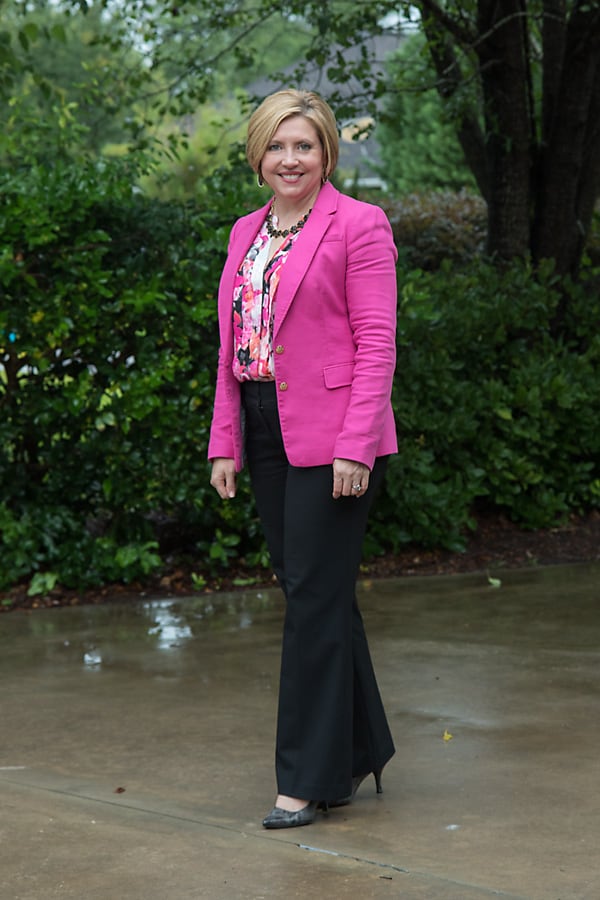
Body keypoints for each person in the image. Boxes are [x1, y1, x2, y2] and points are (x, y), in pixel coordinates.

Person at [208, 89, 397, 829]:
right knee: (313, 591)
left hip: (333, 438)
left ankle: (304, 781)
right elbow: (232, 350)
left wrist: (357, 444)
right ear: (258, 154)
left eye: (305, 146)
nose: (291, 159)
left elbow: (377, 342)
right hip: (263, 429)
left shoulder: (360, 226)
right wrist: (226, 443)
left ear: (327, 154)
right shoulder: (244, 233)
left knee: (314, 601)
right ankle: (360, 746)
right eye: (277, 146)